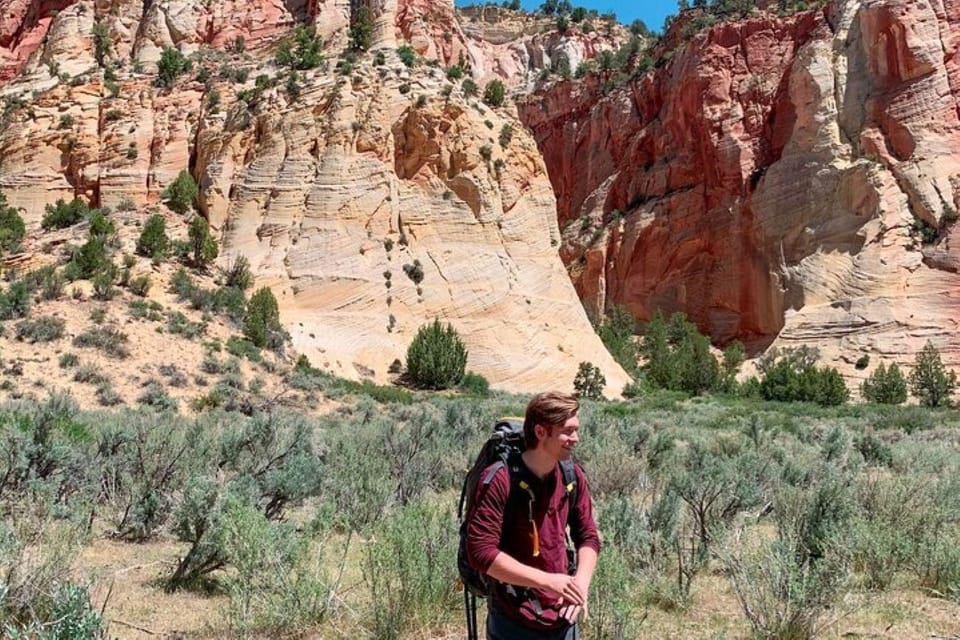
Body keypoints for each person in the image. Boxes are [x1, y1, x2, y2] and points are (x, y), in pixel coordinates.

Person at [466, 391, 601, 639]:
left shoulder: (572, 475)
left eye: (576, 430)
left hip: (562, 616)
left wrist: (579, 586)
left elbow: (588, 536)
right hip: (514, 618)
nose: (576, 438)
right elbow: (480, 553)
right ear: (540, 432)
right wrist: (547, 581)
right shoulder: (500, 478)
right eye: (567, 431)